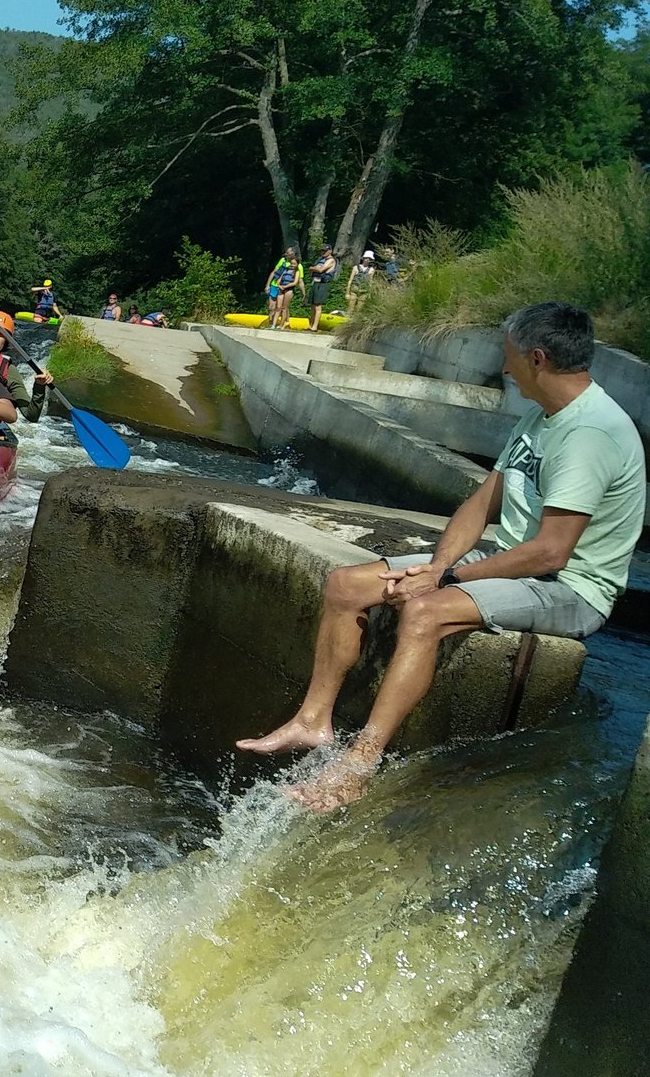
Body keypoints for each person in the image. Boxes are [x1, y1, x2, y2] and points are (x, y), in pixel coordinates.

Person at [236, 303, 646, 811]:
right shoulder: (542, 417)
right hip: (513, 561)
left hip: (572, 588)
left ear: (537, 359)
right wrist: (438, 566)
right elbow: (481, 504)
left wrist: (448, 579)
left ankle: (360, 763)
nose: (503, 367)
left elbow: (550, 551)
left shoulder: (591, 435)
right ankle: (311, 722)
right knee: (346, 584)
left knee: (426, 611)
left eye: (509, 355)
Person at [304, 243, 339, 331]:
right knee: (312, 304)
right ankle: (311, 325)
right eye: (322, 250)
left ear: (330, 251)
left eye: (325, 251)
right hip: (315, 282)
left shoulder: (331, 260)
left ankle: (315, 327)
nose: (323, 252)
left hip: (323, 283)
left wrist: (312, 268)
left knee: (317, 305)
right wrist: (314, 268)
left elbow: (321, 269)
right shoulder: (321, 259)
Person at [265, 247, 302, 329]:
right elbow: (275, 273)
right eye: (291, 264)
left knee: (284, 308)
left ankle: (282, 324)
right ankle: (272, 324)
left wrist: (303, 293)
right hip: (278, 287)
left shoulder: (298, 270)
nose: (292, 265)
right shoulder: (283, 263)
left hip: (288, 289)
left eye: (288, 253)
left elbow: (298, 281)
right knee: (275, 307)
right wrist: (269, 285)